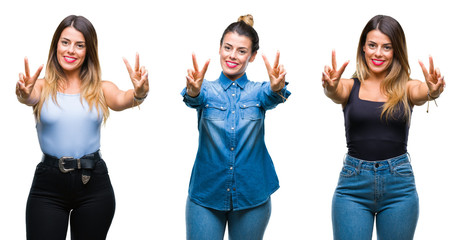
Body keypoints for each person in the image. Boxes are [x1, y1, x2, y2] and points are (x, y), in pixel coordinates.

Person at [15, 15, 149, 240]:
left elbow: (123, 99)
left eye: (79, 45)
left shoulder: (101, 88)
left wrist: (140, 92)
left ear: (88, 50)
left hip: (93, 184)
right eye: (65, 42)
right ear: (56, 45)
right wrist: (24, 93)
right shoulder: (40, 86)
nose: (71, 50)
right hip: (48, 186)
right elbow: (28, 97)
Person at [322, 15, 445, 240]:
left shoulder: (408, 87)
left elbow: (423, 93)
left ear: (396, 51)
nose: (378, 53)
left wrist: (433, 91)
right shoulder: (350, 86)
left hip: (399, 187)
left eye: (386, 47)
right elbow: (335, 92)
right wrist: (330, 87)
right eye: (372, 45)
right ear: (363, 48)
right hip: (353, 188)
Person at [181, 14, 290, 240]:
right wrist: (192, 90)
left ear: (252, 56)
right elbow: (193, 98)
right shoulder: (206, 90)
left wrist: (277, 87)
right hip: (206, 195)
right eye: (227, 48)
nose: (232, 56)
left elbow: (272, 96)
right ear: (219, 48)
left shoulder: (258, 91)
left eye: (241, 51)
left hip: (252, 195)